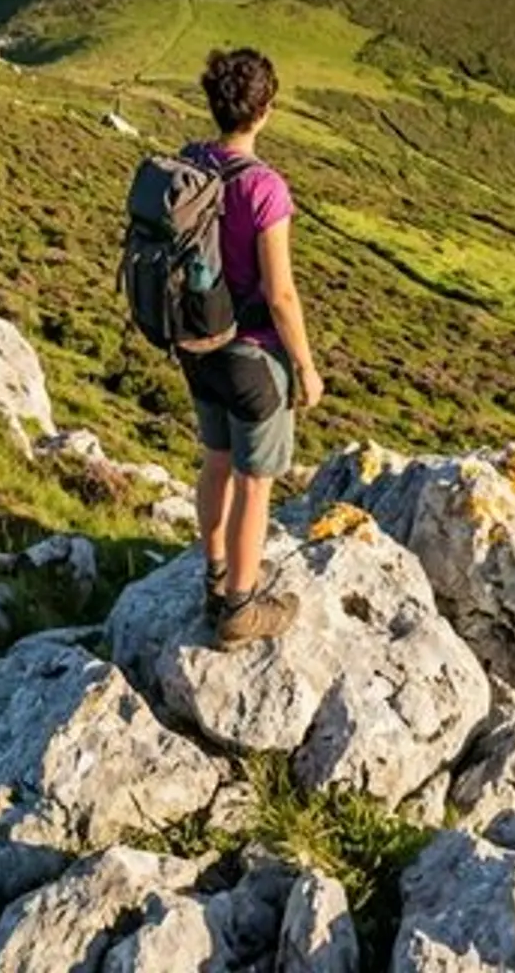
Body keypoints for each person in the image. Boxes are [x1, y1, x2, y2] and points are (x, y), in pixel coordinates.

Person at [180, 47, 325, 647]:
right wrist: (307, 368)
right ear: (266, 110)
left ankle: (216, 575)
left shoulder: (191, 164)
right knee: (254, 481)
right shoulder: (265, 189)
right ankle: (240, 606)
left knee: (215, 460)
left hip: (197, 345)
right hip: (251, 357)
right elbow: (282, 293)